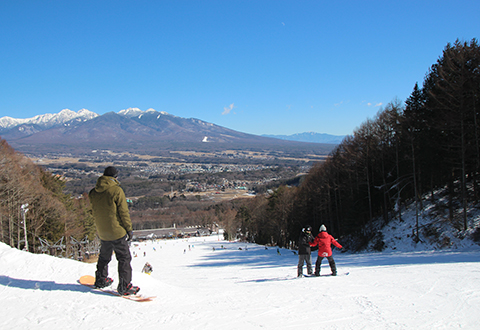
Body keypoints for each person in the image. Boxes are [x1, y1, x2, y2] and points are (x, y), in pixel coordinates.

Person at [89, 166, 140, 295]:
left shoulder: (93, 192)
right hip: (116, 230)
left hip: (102, 230)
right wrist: (129, 229)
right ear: (115, 177)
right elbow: (123, 212)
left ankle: (101, 279)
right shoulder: (116, 190)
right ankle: (124, 285)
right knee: (124, 258)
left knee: (104, 256)